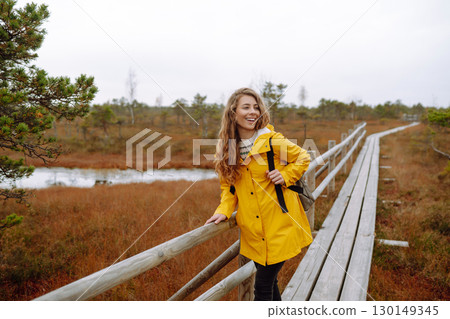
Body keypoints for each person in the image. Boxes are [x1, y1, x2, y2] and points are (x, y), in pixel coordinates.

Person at [205, 87, 313, 301]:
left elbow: (303, 157)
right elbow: (229, 189)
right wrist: (224, 211)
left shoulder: (271, 141)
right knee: (269, 284)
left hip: (280, 225)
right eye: (246, 107)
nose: (253, 112)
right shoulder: (229, 148)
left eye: (256, 107)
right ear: (233, 113)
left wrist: (286, 175)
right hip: (254, 232)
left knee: (262, 287)